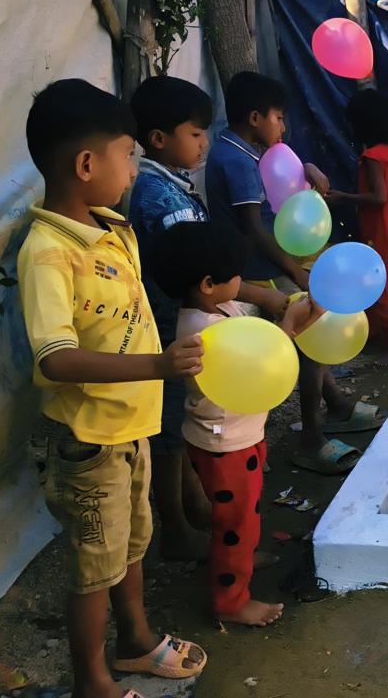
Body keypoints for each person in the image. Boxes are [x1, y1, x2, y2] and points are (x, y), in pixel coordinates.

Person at [18, 79, 207, 698]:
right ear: (86, 164)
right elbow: (58, 360)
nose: (134, 170)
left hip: (130, 428)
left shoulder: (112, 229)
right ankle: (91, 682)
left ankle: (135, 643)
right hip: (89, 441)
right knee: (93, 570)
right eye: (128, 154)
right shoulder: (49, 253)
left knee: (131, 546)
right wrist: (157, 367)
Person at [127, 74, 293, 561]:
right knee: (173, 428)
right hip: (170, 328)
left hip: (180, 320)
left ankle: (197, 512)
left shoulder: (169, 186)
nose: (204, 142)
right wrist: (262, 299)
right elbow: (201, 273)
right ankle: (181, 528)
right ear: (159, 140)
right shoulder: (161, 200)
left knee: (179, 425)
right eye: (195, 133)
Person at [152, 220, 319, 628]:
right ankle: (231, 600)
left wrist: (294, 319)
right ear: (209, 283)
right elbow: (261, 364)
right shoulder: (204, 334)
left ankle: (238, 555)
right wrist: (290, 328)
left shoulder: (214, 310)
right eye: (235, 276)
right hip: (225, 444)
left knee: (242, 517)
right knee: (236, 523)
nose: (241, 281)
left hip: (237, 436)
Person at [204, 71, 360, 476]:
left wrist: (306, 165)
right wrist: (297, 270)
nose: (284, 126)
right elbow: (254, 229)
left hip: (269, 263)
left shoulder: (240, 149)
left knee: (312, 333)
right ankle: (310, 437)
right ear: (256, 117)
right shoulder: (237, 161)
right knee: (312, 337)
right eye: (279, 117)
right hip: (260, 268)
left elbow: (280, 179)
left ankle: (338, 404)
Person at [327, 88, 388, 364]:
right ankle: (377, 335)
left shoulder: (372, 158)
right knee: (381, 287)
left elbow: (380, 197)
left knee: (380, 290)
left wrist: (343, 197)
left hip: (383, 233)